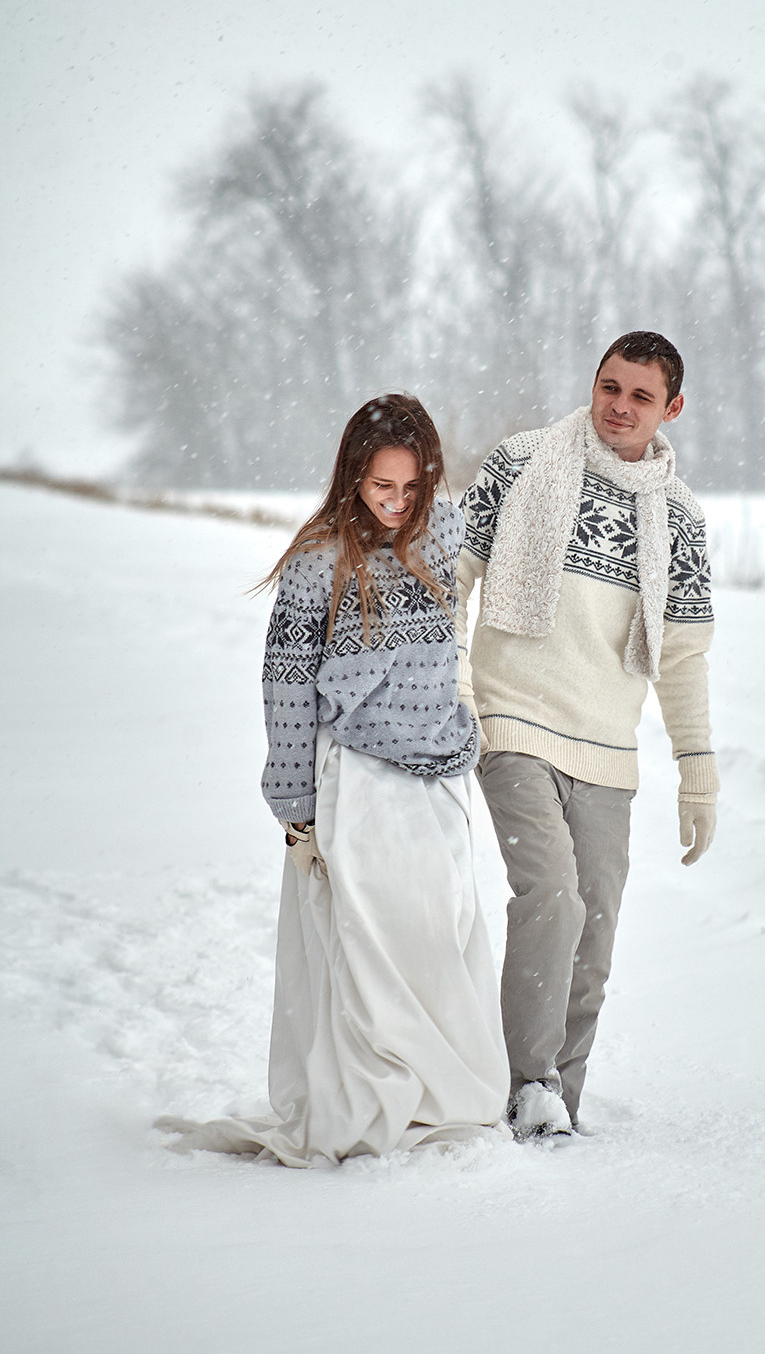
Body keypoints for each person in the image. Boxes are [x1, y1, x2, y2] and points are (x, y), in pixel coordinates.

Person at [157, 394, 510, 1165]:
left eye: (412, 487)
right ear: (352, 476)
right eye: (381, 486)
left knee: (440, 933)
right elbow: (284, 685)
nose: (397, 502)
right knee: (371, 947)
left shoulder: (445, 530)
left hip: (438, 771)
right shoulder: (318, 561)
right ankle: (375, 1100)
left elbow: (464, 623)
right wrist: (296, 808)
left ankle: (442, 1096)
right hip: (358, 774)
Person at [457, 332, 718, 1140]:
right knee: (553, 898)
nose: (619, 406)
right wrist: (460, 688)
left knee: (595, 930)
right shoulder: (520, 463)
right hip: (511, 719)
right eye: (610, 386)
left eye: (641, 396)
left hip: (606, 747)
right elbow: (449, 577)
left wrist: (697, 772)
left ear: (671, 408)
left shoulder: (679, 516)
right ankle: (527, 1086)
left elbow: (683, 655)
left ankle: (558, 1102)